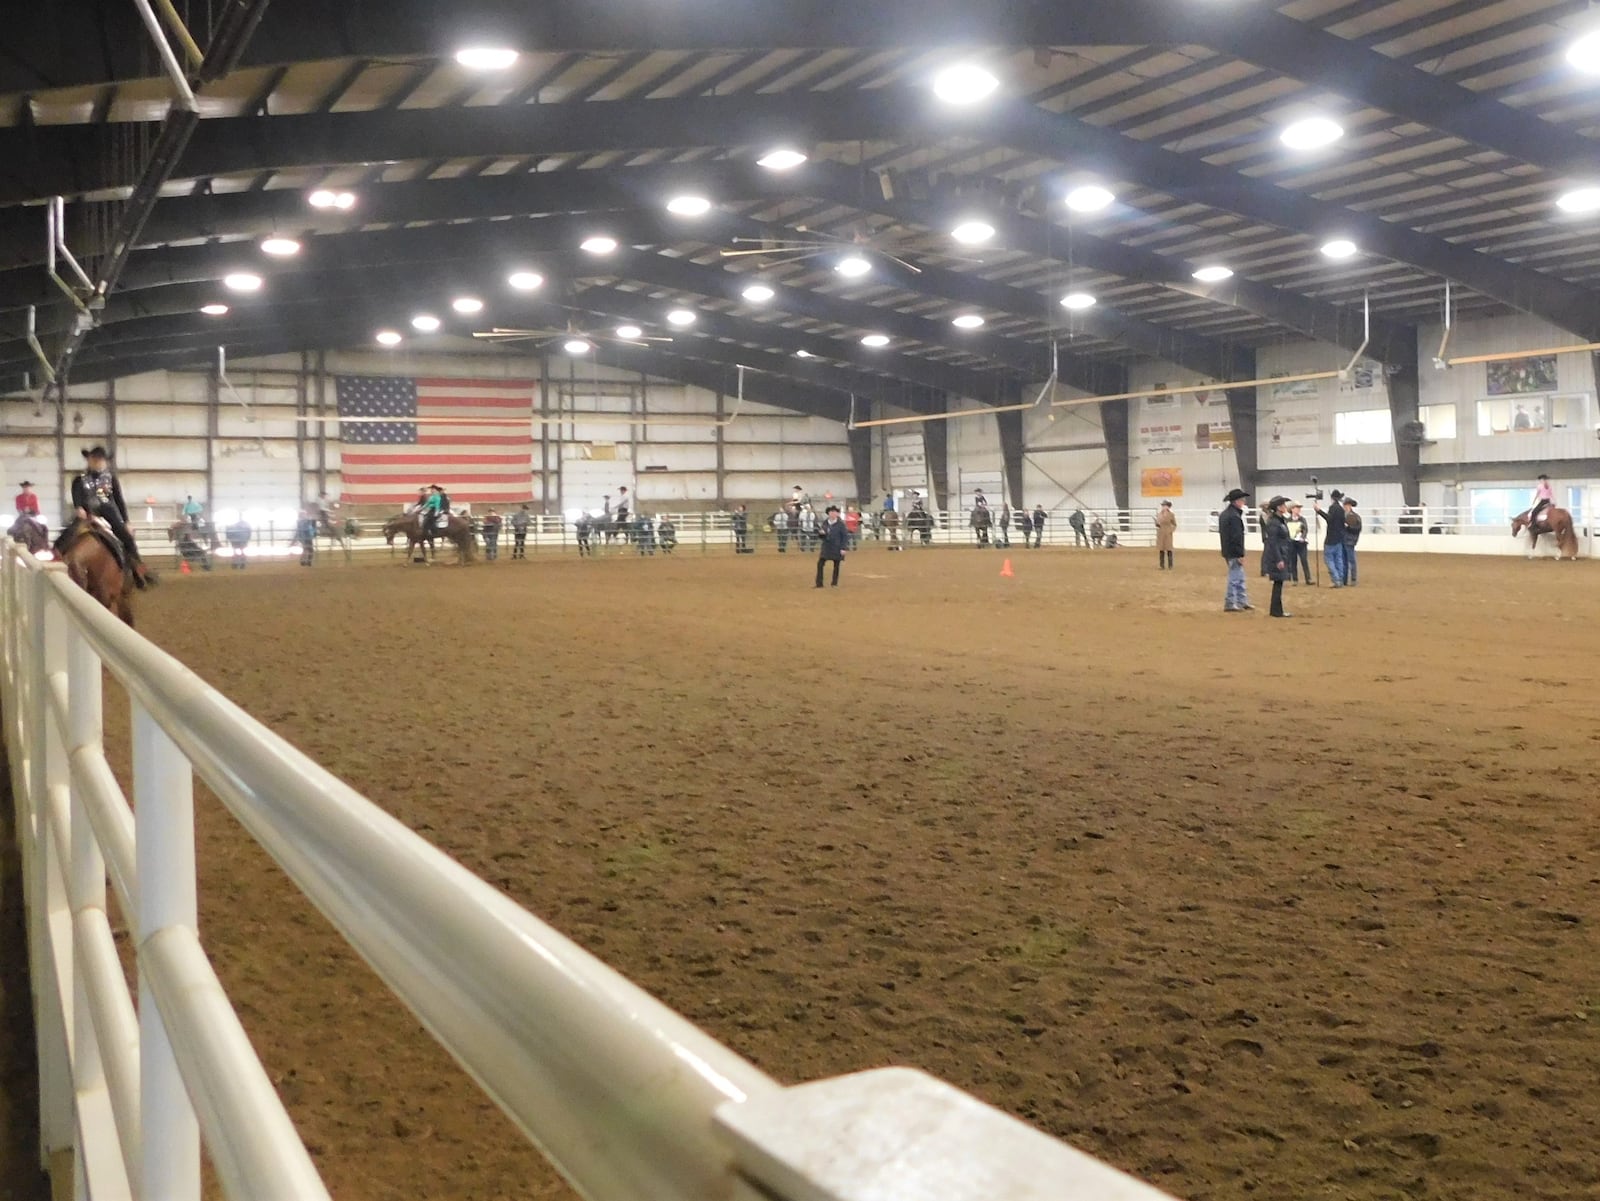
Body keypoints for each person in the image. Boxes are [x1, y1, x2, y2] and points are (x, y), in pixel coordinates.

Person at [61, 446, 148, 586]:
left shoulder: (110, 479)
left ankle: (138, 567)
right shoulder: (79, 479)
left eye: (100, 460)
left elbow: (119, 500)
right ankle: (56, 556)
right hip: (88, 512)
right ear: (89, 460)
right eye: (94, 459)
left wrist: (126, 521)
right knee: (67, 533)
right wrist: (79, 507)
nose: (97, 462)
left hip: (108, 511)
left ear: (104, 461)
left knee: (125, 536)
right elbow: (76, 495)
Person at [1218, 487, 1252, 612]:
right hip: (1234, 552)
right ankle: (1231, 602)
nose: (1243, 501)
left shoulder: (1225, 515)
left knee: (1239, 576)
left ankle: (1241, 601)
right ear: (1236, 501)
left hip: (1228, 551)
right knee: (1235, 577)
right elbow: (1237, 537)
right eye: (1242, 499)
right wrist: (1240, 554)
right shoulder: (1234, 517)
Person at [1262, 496, 1294, 618]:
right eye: (1283, 505)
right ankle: (1277, 611)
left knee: (1278, 584)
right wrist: (1279, 559)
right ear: (1278, 508)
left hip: (1282, 553)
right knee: (1278, 584)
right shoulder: (1274, 523)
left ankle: (1276, 610)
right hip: (1279, 555)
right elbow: (1273, 542)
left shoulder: (1278, 521)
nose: (1285, 507)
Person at [1316, 488, 1347, 587]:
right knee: (1338, 559)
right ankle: (1340, 579)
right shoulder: (1341, 509)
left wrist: (1319, 511)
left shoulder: (1332, 508)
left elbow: (1329, 519)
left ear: (1332, 498)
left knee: (1329, 559)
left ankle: (1336, 579)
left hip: (1331, 539)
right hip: (1339, 538)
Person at [815, 504, 848, 588]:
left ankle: (834, 583)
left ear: (837, 514)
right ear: (828, 513)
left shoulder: (841, 524)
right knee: (820, 564)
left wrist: (843, 548)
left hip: (837, 548)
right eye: (831, 512)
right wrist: (821, 534)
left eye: (835, 512)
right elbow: (821, 537)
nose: (833, 513)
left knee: (836, 566)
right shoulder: (825, 523)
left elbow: (844, 537)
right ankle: (819, 583)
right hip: (826, 547)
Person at [1287, 502, 1311, 584]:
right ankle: (1295, 579)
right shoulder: (1288, 520)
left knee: (1304, 560)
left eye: (1299, 508)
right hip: (1292, 543)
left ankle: (1308, 579)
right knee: (1293, 561)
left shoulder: (1302, 519)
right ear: (1292, 509)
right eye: (1297, 508)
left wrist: (1303, 537)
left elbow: (1305, 529)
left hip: (1301, 543)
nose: (1298, 510)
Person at [1342, 497, 1362, 586]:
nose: (1345, 507)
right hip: (1344, 540)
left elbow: (1357, 529)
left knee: (1350, 560)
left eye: (1346, 505)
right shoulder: (1349, 516)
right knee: (1345, 561)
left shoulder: (1355, 517)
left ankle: (1352, 579)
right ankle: (1345, 579)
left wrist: (1348, 527)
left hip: (1349, 541)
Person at [1154, 500, 1176, 570]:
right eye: (1162, 505)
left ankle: (1170, 565)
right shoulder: (1159, 514)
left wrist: (1171, 531)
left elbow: (1174, 524)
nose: (1163, 507)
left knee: (1169, 549)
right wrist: (1157, 524)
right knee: (1161, 549)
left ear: (1167, 506)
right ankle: (1161, 565)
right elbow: (1158, 524)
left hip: (1168, 533)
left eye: (1164, 505)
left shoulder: (1171, 515)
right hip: (1161, 533)